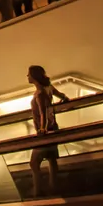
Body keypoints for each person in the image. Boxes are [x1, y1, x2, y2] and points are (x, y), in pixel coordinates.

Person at [27, 65, 69, 196]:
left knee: (34, 163)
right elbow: (63, 97)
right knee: (51, 158)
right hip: (53, 127)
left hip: (44, 131)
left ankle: (37, 191)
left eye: (29, 74)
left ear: (34, 76)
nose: (27, 76)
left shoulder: (39, 93)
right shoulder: (49, 88)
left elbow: (42, 113)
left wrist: (42, 129)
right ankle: (53, 186)